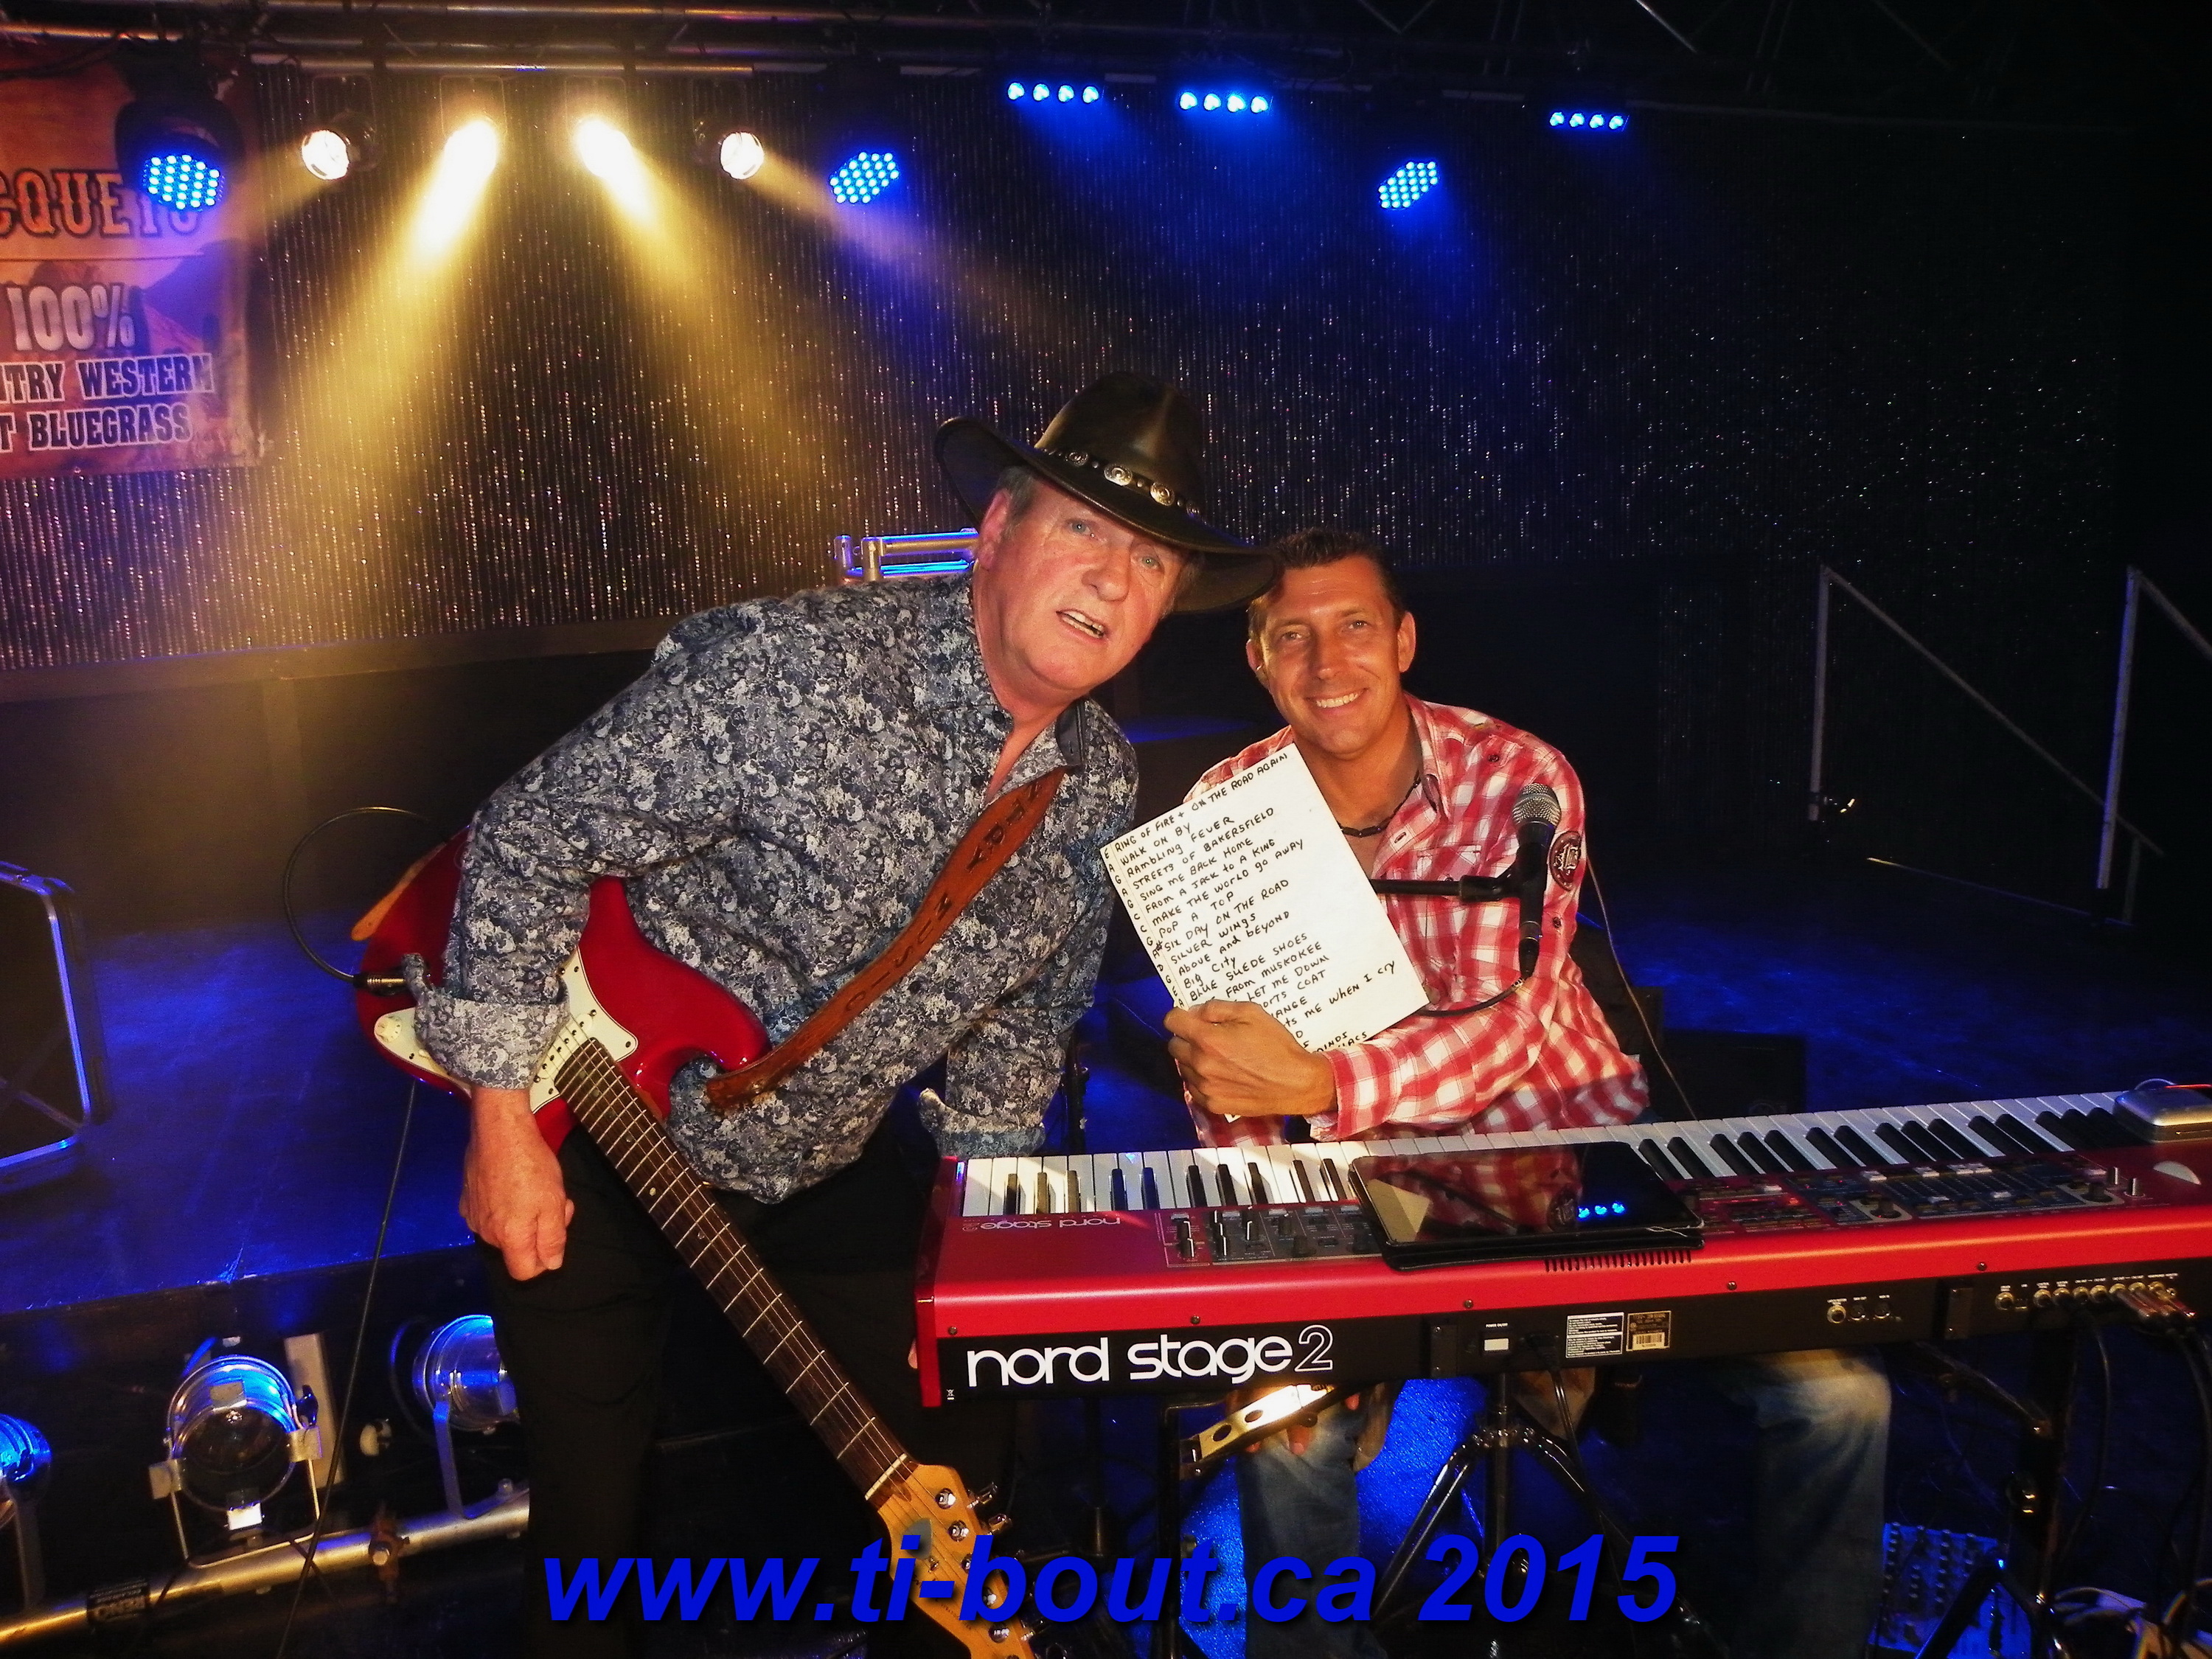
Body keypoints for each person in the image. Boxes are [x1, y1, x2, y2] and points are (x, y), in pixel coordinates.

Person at [409, 373, 1279, 1658]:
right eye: (1083, 528)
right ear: (996, 530)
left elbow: (1018, 1037)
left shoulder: (1096, 783)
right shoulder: (790, 669)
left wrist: (994, 1241)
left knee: (963, 1456)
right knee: (592, 1536)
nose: (1113, 577)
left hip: (820, 1155)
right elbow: (531, 832)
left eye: (1152, 560)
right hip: (596, 1118)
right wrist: (498, 1116)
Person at [1165, 528, 1890, 1659]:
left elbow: (1511, 1026)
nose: (1327, 660)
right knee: (1284, 1426)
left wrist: (1324, 1079)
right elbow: (1230, 1082)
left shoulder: (1520, 778)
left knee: (1840, 1399)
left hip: (1569, 1178)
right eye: (1291, 635)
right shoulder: (1225, 808)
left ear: (1404, 639)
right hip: (1372, 1198)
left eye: (1354, 625)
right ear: (1257, 658)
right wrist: (1292, 1266)